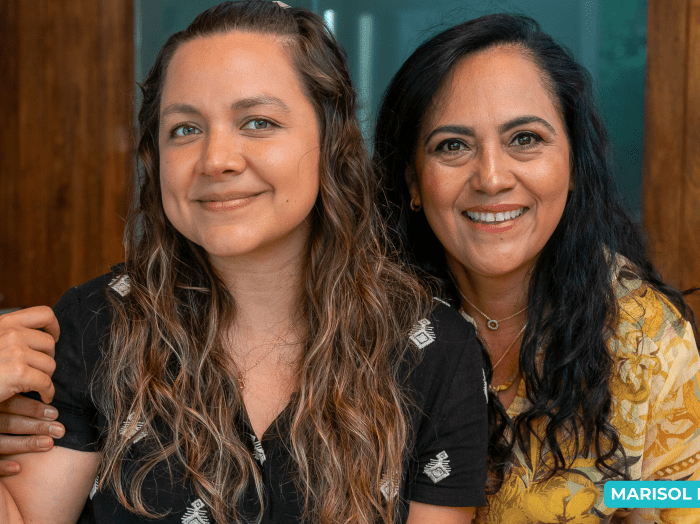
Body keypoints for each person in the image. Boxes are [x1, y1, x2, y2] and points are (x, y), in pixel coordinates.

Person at [0, 2, 490, 523]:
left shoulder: (433, 347)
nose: (216, 160)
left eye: (258, 122)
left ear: (330, 142)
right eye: (185, 129)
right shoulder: (93, 325)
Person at [373, 13, 700, 523]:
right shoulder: (356, 322)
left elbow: (682, 496)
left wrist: (617, 498)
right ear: (413, 183)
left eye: (525, 138)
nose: (492, 177)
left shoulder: (643, 334)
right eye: (452, 145)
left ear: (573, 165)